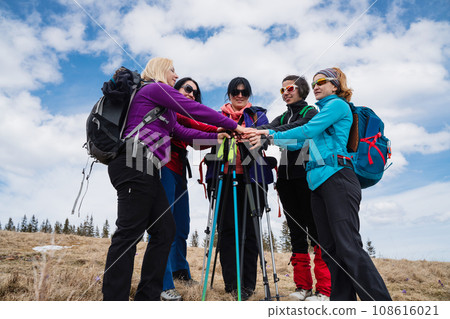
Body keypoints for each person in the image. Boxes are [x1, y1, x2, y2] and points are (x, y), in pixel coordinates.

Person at [102, 58, 250, 301]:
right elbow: (195, 110)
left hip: (149, 166)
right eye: (172, 70)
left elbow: (182, 132)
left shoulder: (164, 109)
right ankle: (113, 300)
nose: (175, 75)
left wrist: (219, 136)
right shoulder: (155, 89)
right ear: (160, 70)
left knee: (165, 230)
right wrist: (235, 126)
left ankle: (147, 297)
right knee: (128, 233)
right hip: (133, 161)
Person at [248, 67, 391, 301]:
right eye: (314, 83)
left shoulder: (336, 106)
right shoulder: (323, 112)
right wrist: (264, 137)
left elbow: (307, 130)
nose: (316, 86)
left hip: (338, 178)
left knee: (348, 245)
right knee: (331, 249)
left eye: (321, 81)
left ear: (335, 86)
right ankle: (341, 304)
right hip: (317, 184)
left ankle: (379, 304)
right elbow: (298, 142)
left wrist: (269, 135)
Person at [257, 75, 331, 301]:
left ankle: (325, 290)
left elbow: (300, 128)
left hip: (306, 178)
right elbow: (268, 127)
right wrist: (252, 131)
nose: (285, 93)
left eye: (289, 88)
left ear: (302, 90)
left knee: (316, 231)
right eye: (282, 90)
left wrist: (270, 134)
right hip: (286, 180)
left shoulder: (310, 113)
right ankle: (303, 287)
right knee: (296, 232)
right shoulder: (283, 116)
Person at [205, 77, 273, 300]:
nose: (240, 95)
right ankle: (232, 285)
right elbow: (207, 137)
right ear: (229, 93)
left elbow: (265, 137)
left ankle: (248, 286)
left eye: (244, 92)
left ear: (249, 94)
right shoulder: (218, 116)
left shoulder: (258, 115)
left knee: (251, 232)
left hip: (253, 180)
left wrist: (253, 138)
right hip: (223, 178)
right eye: (235, 91)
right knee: (226, 232)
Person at [160, 77, 218, 301]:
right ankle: (164, 283)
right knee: (164, 228)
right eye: (187, 89)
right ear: (175, 90)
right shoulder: (172, 110)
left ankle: (180, 272)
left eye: (195, 92)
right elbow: (196, 127)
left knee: (181, 227)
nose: (192, 94)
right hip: (163, 168)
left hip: (179, 173)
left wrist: (220, 137)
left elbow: (198, 139)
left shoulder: (183, 116)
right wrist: (223, 129)